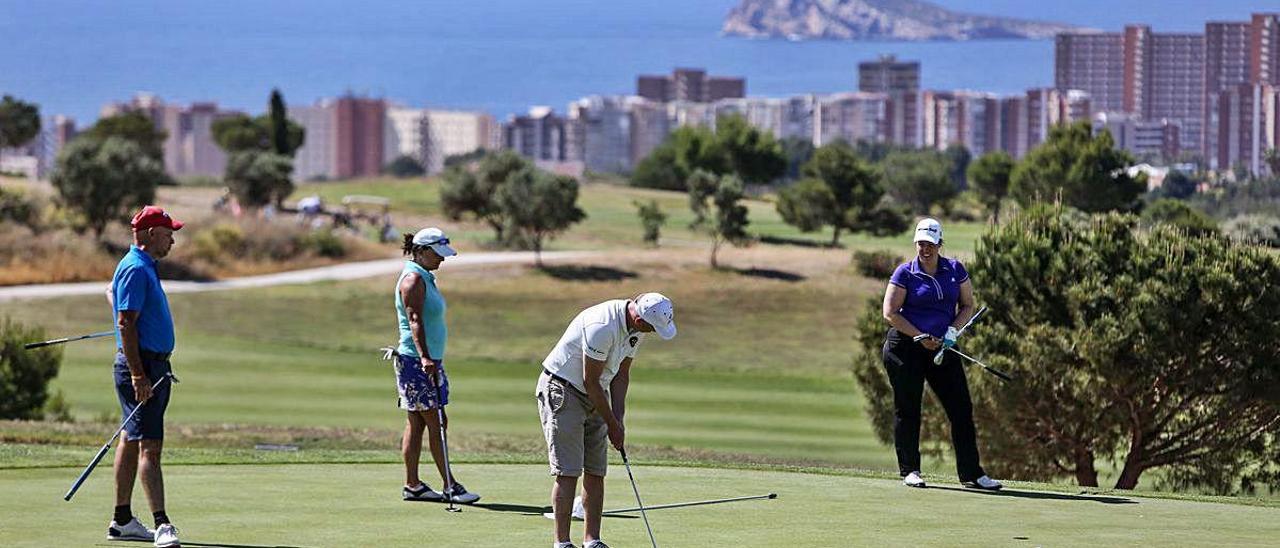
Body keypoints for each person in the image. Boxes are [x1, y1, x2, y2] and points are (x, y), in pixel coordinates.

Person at [537, 293, 677, 548]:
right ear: (638, 317)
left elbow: (621, 374)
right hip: (564, 390)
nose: (652, 333)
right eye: (651, 328)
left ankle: (592, 541)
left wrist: (619, 419)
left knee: (596, 470)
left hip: (595, 394)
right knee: (568, 471)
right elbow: (590, 380)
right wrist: (611, 424)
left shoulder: (638, 327)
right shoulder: (602, 326)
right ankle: (562, 543)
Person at [880, 218, 1002, 491]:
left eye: (931, 244)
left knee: (961, 409)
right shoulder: (905, 273)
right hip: (905, 349)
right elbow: (890, 313)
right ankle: (910, 470)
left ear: (940, 244)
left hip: (943, 347)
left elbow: (967, 304)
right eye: (921, 243)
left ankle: (972, 474)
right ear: (916, 244)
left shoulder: (955, 270)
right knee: (908, 409)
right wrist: (919, 336)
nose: (925, 249)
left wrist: (952, 332)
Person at [107, 206, 184, 547]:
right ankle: (162, 524)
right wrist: (139, 375)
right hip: (144, 369)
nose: (172, 240)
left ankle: (122, 519)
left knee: (131, 438)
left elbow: (126, 312)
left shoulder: (141, 267)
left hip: (151, 366)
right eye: (169, 233)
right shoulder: (136, 269)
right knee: (150, 447)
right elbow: (126, 323)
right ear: (152, 233)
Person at [394, 227, 480, 504]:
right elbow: (414, 321)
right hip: (418, 361)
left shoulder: (425, 277)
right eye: (438, 254)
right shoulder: (412, 280)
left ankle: (413, 486)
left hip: (422, 360)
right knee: (437, 422)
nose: (442, 259)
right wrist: (425, 358)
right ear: (421, 251)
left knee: (418, 423)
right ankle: (450, 486)